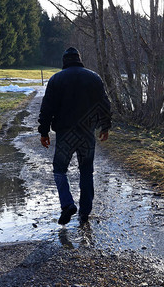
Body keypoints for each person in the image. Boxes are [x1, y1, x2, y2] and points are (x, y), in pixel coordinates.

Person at [38, 47, 111, 225]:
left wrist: (44, 131)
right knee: (86, 171)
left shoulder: (56, 79)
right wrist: (105, 126)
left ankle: (67, 204)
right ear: (79, 59)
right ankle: (85, 212)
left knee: (59, 169)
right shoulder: (94, 77)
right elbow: (104, 104)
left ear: (64, 61)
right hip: (87, 134)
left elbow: (47, 107)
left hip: (65, 134)